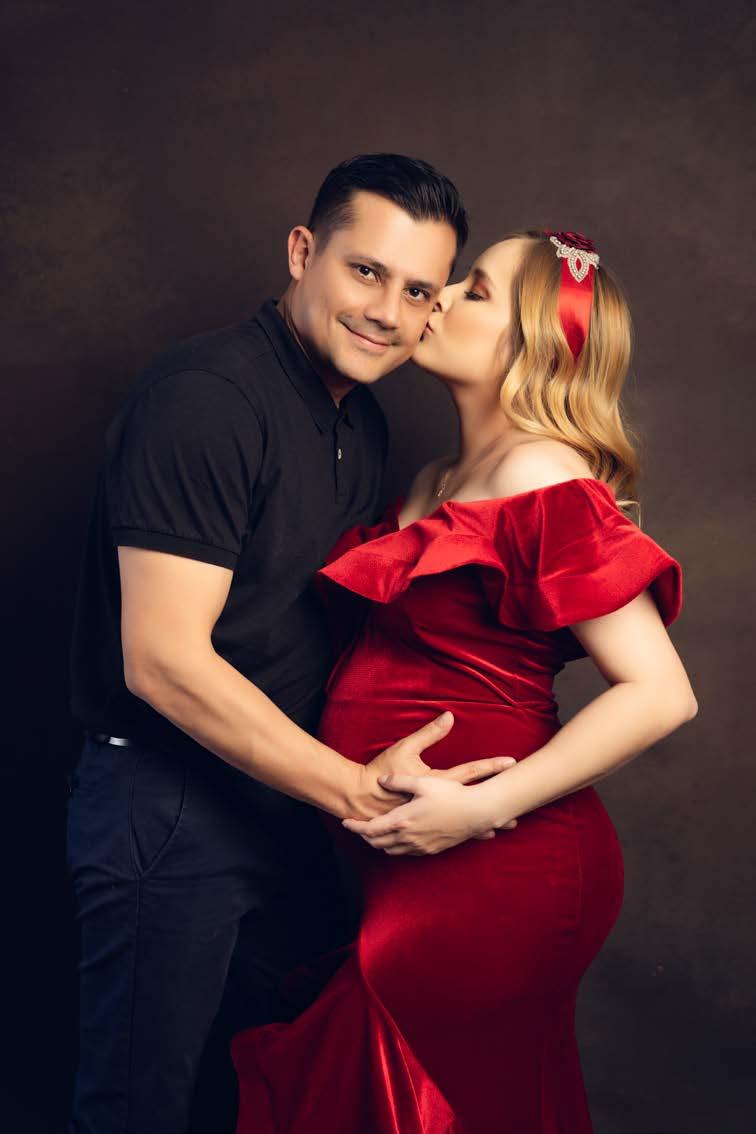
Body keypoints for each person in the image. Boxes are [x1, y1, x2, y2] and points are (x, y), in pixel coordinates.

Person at [65, 154, 515, 1134]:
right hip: (169, 805)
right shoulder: (207, 397)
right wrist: (354, 791)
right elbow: (163, 661)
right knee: (141, 1109)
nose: (387, 313)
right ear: (303, 252)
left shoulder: (361, 417)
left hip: (285, 807)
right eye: (366, 271)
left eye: (418, 291)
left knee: (269, 1098)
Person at [231, 230, 698, 1133]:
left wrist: (484, 808)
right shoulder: (435, 477)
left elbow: (660, 693)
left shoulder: (539, 472)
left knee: (397, 1091)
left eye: (474, 290)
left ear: (534, 344)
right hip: (404, 855)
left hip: (499, 858)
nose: (436, 297)